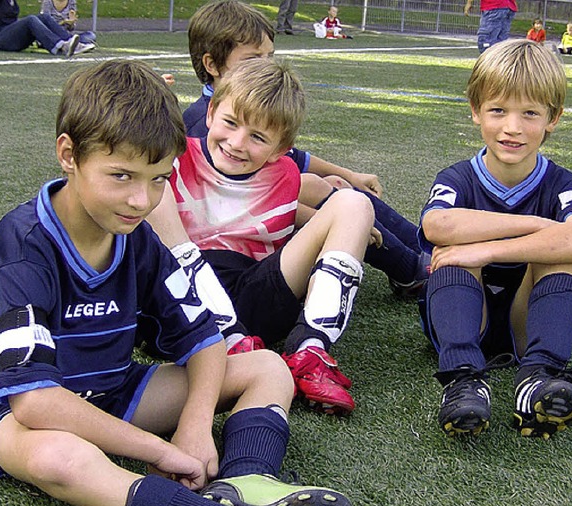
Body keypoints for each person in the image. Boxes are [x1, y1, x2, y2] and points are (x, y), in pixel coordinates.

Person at [0, 59, 384, 506]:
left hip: (114, 390)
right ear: (69, 154)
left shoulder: (136, 237)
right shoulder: (24, 246)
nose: (141, 200)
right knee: (56, 456)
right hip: (14, 413)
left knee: (267, 367)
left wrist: (196, 427)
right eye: (121, 176)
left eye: (158, 180)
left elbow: (202, 338)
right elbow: (34, 402)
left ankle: (246, 482)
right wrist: (159, 450)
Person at [149, 58, 377, 417]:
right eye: (230, 123)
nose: (238, 143)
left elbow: (282, 209)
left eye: (258, 137)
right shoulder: (174, 158)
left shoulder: (286, 176)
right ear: (209, 114)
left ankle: (311, 348)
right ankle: (231, 341)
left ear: (280, 148)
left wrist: (350, 227)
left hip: (256, 294)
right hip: (181, 306)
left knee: (354, 204)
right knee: (154, 190)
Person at [416, 39, 572, 439]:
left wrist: (490, 248)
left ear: (553, 118)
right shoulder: (457, 177)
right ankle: (463, 379)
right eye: (498, 110)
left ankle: (538, 376)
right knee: (456, 253)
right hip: (463, 311)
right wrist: (540, 226)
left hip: (526, 315)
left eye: (530, 113)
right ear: (475, 111)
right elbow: (439, 227)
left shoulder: (563, 183)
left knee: (562, 259)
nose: (512, 128)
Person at [182, 0, 428, 295]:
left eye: (269, 56)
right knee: (320, 190)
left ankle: (421, 247)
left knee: (332, 183)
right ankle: (409, 268)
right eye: (252, 59)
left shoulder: (246, 109)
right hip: (232, 259)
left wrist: (351, 174)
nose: (265, 66)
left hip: (260, 228)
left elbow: (296, 159)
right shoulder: (204, 128)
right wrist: (333, 222)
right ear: (212, 65)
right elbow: (240, 206)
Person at [0, 0, 93, 55]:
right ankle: (60, 47)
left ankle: (73, 44)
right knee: (30, 19)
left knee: (44, 17)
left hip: (9, 35)